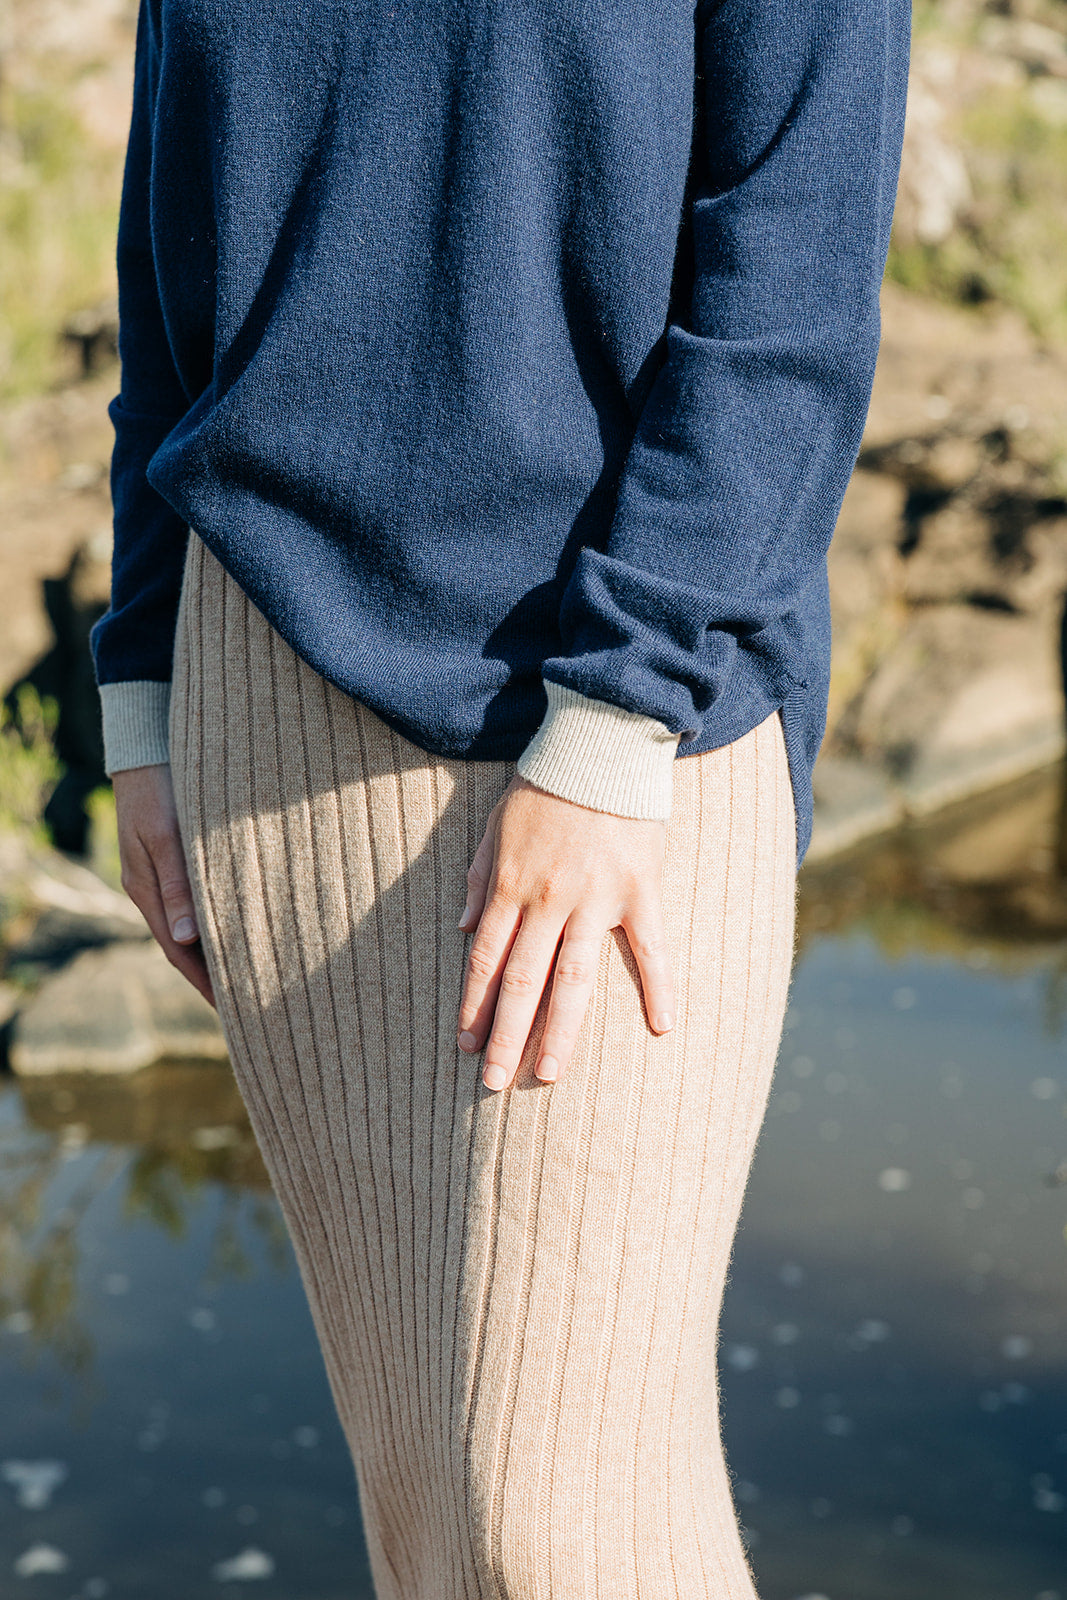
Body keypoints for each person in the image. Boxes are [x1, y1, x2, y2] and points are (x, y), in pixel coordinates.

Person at [94, 0, 909, 1593]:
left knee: (571, 1529)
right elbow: (164, 249)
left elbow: (795, 273)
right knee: (433, 1523)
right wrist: (143, 684)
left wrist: (614, 720)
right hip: (263, 686)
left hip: (625, 727)